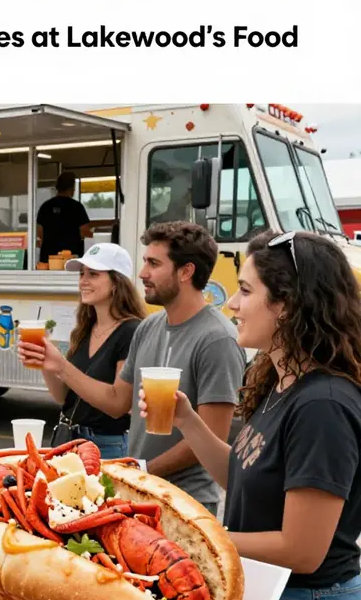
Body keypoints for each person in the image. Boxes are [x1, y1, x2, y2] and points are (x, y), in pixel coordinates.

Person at [139, 230, 361, 600]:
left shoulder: (323, 405)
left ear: (289, 303)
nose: (232, 305)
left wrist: (189, 537)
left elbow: (302, 550)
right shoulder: (280, 383)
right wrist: (186, 419)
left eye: (245, 291)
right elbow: (241, 476)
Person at [25, 221, 245, 514]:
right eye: (144, 262)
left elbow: (211, 438)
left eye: (154, 263)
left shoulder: (217, 339)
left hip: (184, 502)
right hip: (141, 493)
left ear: (186, 272)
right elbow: (117, 402)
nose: (142, 273)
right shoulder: (150, 327)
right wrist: (57, 366)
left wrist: (141, 469)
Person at [17, 243, 145, 458]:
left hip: (105, 447)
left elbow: (117, 405)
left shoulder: (131, 330)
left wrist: (62, 366)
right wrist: (46, 364)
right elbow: (62, 396)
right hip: (69, 442)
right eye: (82, 274)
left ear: (117, 282)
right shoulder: (86, 328)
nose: (83, 281)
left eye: (93, 274)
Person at [36, 171, 95, 262]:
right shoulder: (77, 207)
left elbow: (39, 232)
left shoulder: (46, 206)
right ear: (72, 187)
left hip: (49, 258)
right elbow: (84, 232)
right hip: (71, 258)